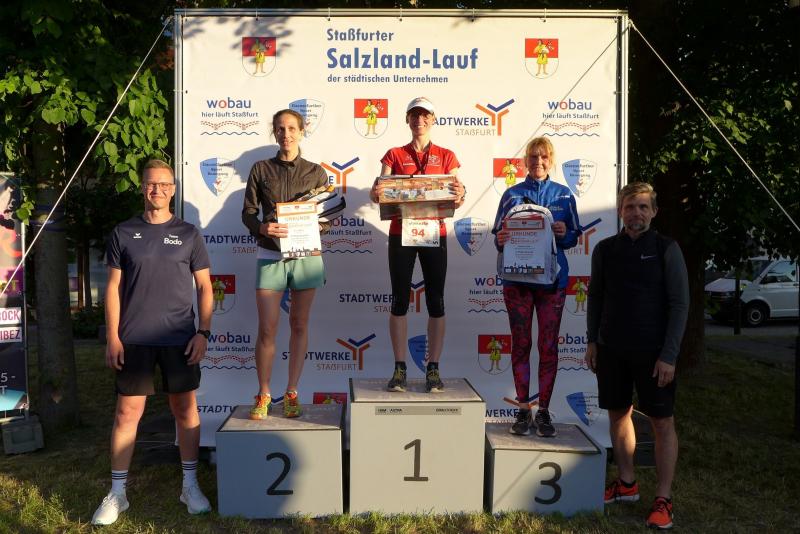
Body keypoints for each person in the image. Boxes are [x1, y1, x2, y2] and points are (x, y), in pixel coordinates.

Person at [92, 159, 213, 526]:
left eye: (163, 184)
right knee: (126, 414)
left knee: (185, 410)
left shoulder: (189, 234)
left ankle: (189, 486)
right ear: (142, 187)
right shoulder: (123, 232)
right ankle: (117, 493)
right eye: (150, 184)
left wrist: (204, 332)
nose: (157, 190)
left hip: (180, 338)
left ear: (173, 190)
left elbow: (205, 287)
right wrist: (113, 336)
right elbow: (113, 288)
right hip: (135, 339)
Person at [585, 182, 689, 530]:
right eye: (630, 206)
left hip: (655, 354)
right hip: (611, 349)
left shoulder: (666, 248)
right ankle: (626, 483)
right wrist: (592, 341)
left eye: (643, 206)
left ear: (654, 212)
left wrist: (669, 355)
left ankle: (663, 498)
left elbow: (680, 305)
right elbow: (595, 297)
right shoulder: (605, 249)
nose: (636, 213)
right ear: (620, 211)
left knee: (662, 423)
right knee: (618, 415)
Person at [369, 96, 466, 393]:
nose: (419, 120)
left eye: (425, 115)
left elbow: (457, 193)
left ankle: (433, 368)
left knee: (436, 301)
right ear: (407, 119)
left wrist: (461, 193)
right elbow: (379, 190)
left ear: (433, 119)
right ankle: (399, 368)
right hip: (402, 233)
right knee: (399, 300)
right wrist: (377, 192)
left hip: (434, 233)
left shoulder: (447, 155)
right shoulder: (394, 154)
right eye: (414, 115)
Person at [242, 109, 330, 420]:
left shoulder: (317, 172)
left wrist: (311, 227)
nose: (286, 134)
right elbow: (248, 214)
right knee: (267, 328)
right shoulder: (260, 169)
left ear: (302, 131)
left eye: (292, 128)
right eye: (280, 128)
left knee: (299, 324)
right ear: (274, 132)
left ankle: (292, 391)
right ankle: (264, 393)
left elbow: (327, 217)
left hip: (306, 256)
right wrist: (262, 228)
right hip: (270, 254)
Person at [492, 137, 581, 438]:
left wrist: (564, 232)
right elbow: (499, 238)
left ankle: (543, 411)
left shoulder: (564, 195)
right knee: (520, 344)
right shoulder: (511, 194)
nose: (538, 162)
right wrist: (500, 240)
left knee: (548, 346)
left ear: (551, 160)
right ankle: (522, 409)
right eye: (533, 156)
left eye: (544, 157)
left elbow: (573, 237)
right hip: (517, 282)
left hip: (551, 282)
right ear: (526, 161)